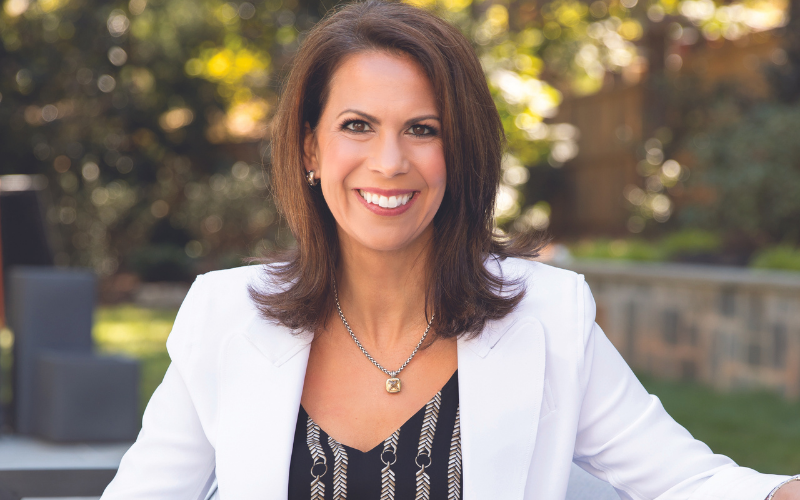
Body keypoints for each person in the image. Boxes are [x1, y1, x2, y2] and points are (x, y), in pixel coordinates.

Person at [101, 1, 800, 499]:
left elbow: (689, 480)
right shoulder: (225, 316)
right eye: (357, 125)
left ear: (458, 150)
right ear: (311, 147)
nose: (389, 160)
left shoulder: (549, 315)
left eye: (423, 129)